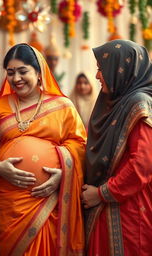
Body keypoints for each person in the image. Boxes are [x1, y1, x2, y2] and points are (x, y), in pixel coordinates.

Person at [0, 43, 86, 255]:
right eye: (11, 73)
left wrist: (63, 175)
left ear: (40, 73)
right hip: (9, 203)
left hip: (49, 201)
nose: (16, 78)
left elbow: (80, 146)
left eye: (23, 71)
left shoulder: (63, 106)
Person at [82, 39, 152, 255]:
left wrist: (103, 193)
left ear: (120, 69)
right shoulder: (115, 102)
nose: (96, 76)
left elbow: (142, 164)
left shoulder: (138, 104)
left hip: (130, 211)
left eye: (101, 69)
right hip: (108, 207)